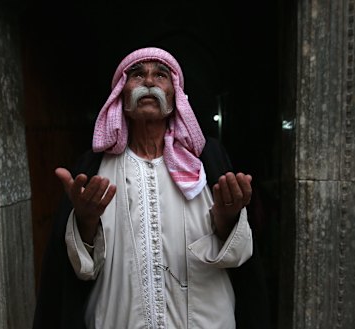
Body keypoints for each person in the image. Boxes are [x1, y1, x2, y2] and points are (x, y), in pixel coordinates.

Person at [33, 47, 271, 329]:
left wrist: (227, 219)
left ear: (175, 94)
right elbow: (78, 270)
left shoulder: (207, 161)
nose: (148, 81)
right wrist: (84, 221)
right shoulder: (94, 169)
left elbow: (239, 256)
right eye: (137, 74)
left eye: (161, 75)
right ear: (121, 94)